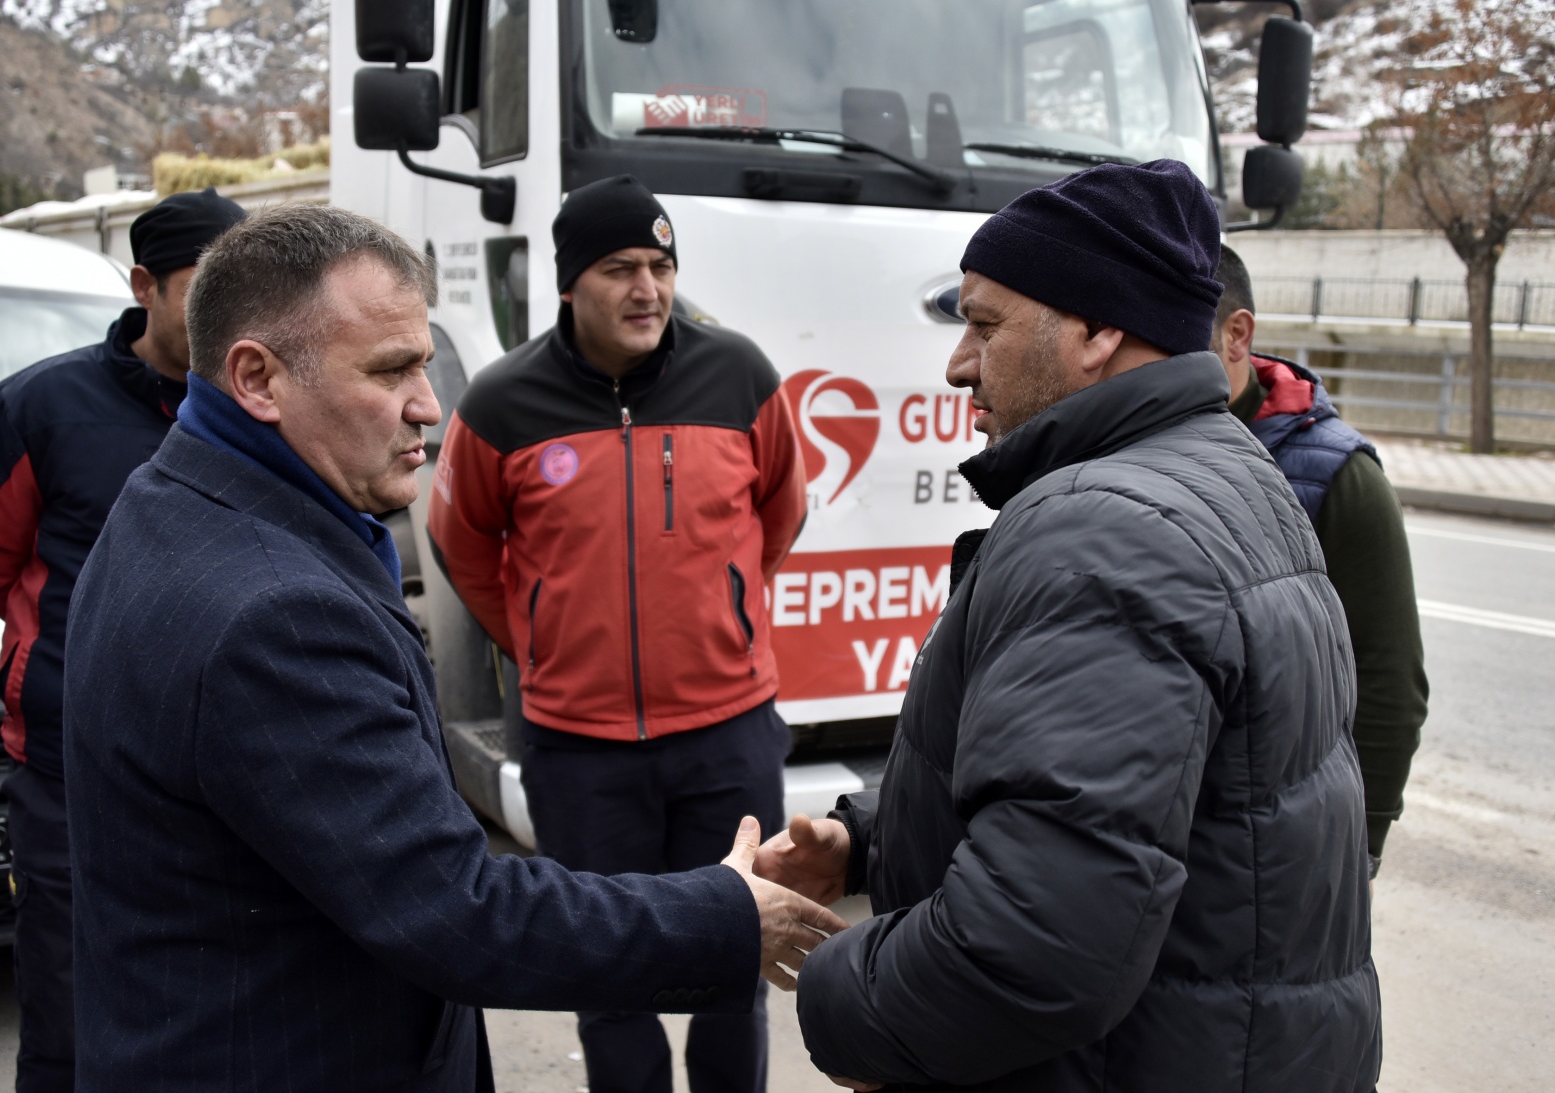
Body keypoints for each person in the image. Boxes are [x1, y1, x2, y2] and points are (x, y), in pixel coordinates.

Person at [60, 204, 843, 1092]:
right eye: (391, 370)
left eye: (425, 363)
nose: (428, 405)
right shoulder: (273, 613)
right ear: (258, 378)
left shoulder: (177, 498)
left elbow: (779, 511)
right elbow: (456, 909)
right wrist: (726, 913)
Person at [757, 161, 1381, 1092]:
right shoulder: (1226, 474)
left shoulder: (1105, 529)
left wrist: (847, 1000)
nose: (957, 363)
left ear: (1096, 331)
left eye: (984, 324)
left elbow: (1031, 941)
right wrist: (873, 836)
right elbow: (1121, 799)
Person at [426, 174, 808, 1093]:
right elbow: (459, 540)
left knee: (734, 962)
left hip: (726, 735)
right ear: (567, 282)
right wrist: (538, 641)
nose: (648, 288)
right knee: (605, 980)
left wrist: (718, 616)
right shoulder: (500, 404)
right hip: (578, 749)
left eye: (661, 265)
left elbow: (779, 512)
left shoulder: (740, 374)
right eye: (619, 268)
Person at [0, 186, 246, 1093]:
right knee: (71, 1016)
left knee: (216, 1007)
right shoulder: (40, 405)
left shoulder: (259, 400)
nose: (229, 314)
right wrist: (83, 649)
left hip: (221, 763)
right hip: (69, 772)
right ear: (144, 286)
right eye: (207, 287)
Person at [1211, 243, 1428, 879]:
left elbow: (1389, 680)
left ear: (1236, 334)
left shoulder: (1338, 477)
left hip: (1283, 855)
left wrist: (1360, 849)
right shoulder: (1125, 443)